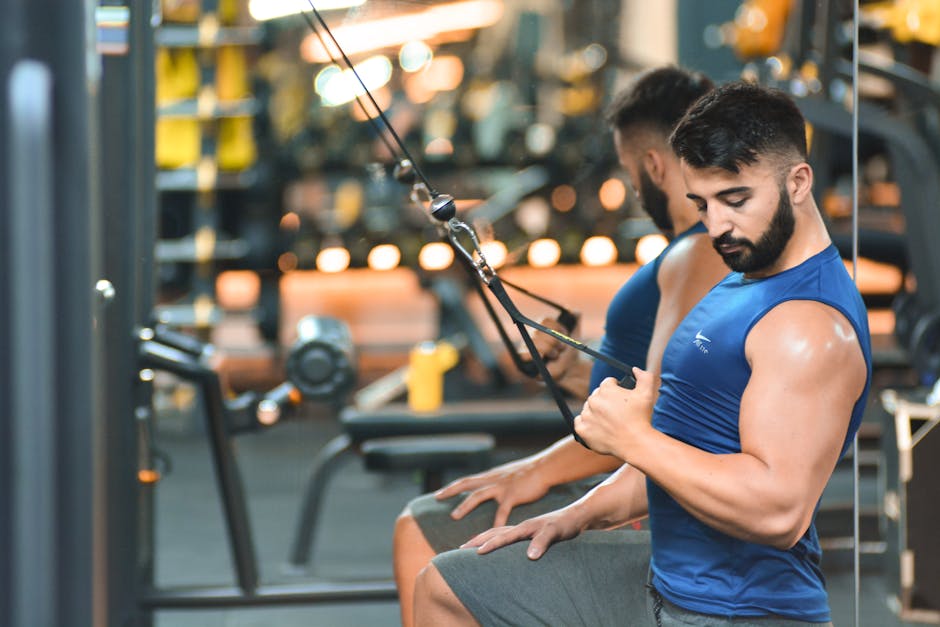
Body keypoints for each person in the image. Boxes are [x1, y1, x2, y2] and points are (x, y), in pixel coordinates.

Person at [413, 81, 872, 626]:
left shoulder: (809, 326)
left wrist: (634, 438)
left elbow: (780, 512)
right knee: (446, 585)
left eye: (736, 199)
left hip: (733, 611)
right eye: (701, 203)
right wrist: (577, 513)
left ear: (798, 182)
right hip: (665, 579)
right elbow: (678, 444)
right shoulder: (744, 277)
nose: (717, 226)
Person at [392, 66, 729, 626]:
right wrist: (576, 371)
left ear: (651, 165)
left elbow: (657, 414)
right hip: (623, 466)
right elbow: (653, 382)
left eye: (628, 172)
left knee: (421, 535)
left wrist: (539, 470)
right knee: (432, 526)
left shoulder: (697, 255)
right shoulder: (691, 253)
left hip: (640, 487)